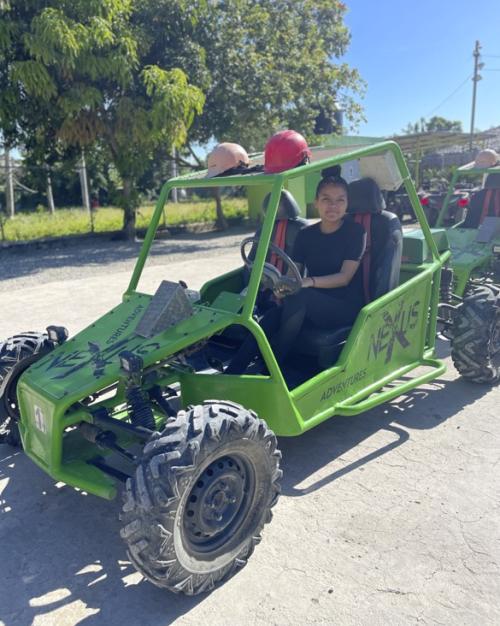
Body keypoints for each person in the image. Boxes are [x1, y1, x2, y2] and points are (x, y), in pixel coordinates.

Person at [226, 166, 367, 374]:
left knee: (301, 296)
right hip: (312, 300)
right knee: (274, 314)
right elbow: (294, 273)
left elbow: (344, 278)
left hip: (344, 306)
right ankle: (233, 373)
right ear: (316, 202)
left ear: (347, 204)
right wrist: (283, 286)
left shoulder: (355, 232)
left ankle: (270, 370)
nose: (333, 206)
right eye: (326, 199)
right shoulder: (306, 234)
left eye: (340, 200)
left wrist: (308, 282)